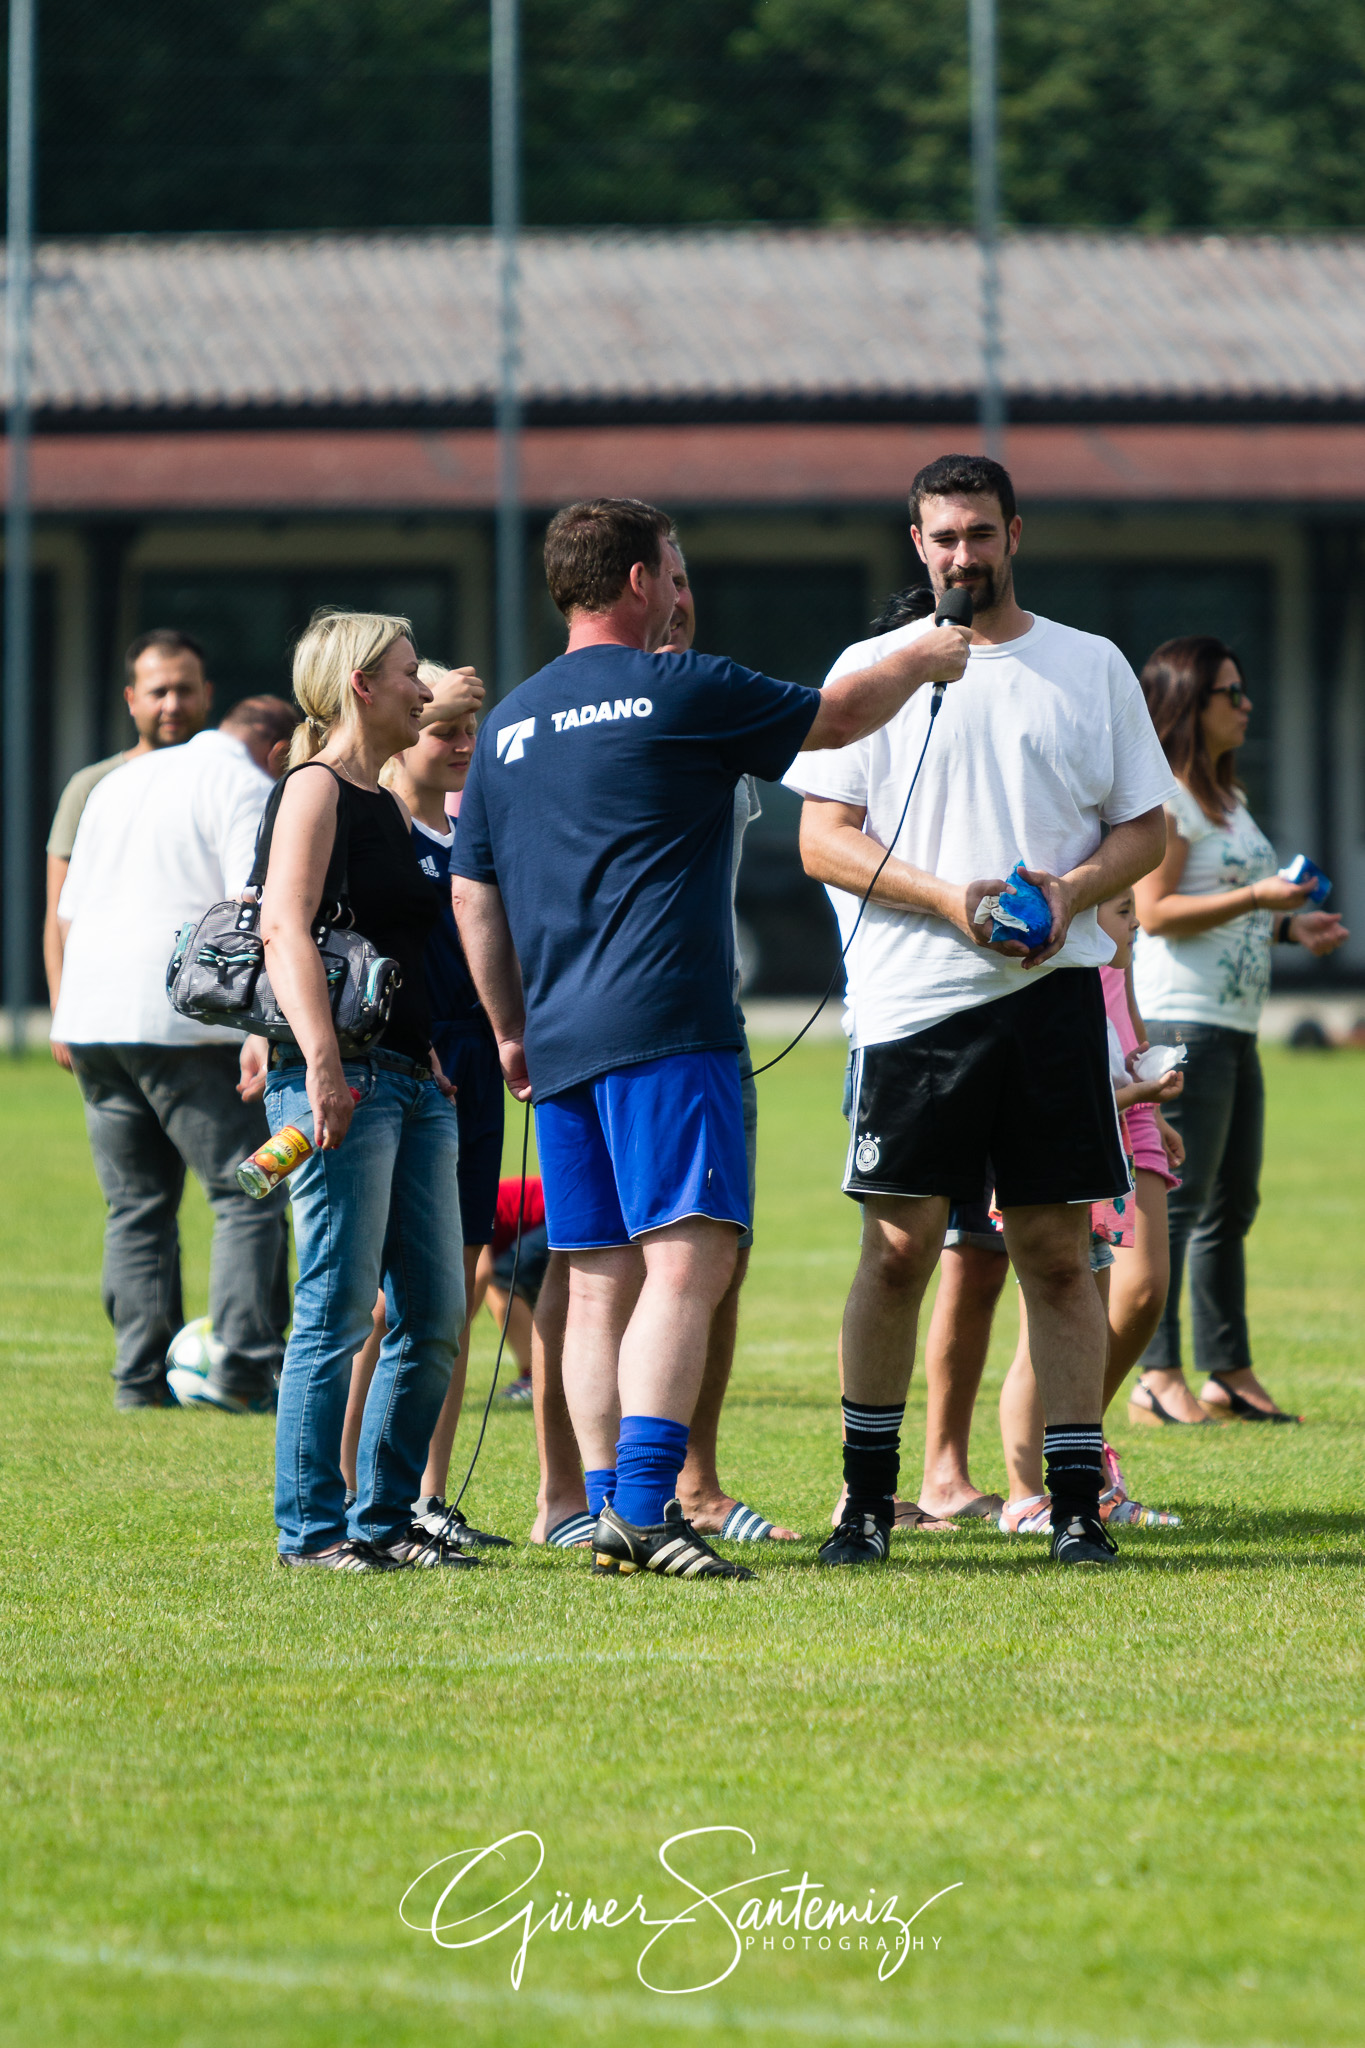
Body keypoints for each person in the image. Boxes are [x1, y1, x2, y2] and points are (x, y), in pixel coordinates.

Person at [450, 495, 971, 1583]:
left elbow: (474, 899)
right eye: (673, 570)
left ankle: (605, 1512)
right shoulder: (677, 687)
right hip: (669, 1027)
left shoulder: (507, 726)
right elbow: (832, 717)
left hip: (562, 1041)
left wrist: (510, 1027)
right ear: (639, 580)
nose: (681, 590)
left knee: (592, 1282)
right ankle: (648, 1506)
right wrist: (923, 655)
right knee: (689, 1265)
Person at [785, 452, 1175, 1570]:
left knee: (1058, 1255)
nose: (964, 555)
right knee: (900, 1249)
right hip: (912, 1005)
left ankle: (1072, 1505)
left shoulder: (1088, 665)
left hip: (1054, 998)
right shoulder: (872, 668)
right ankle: (867, 1501)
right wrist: (948, 898)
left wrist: (1067, 892)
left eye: (982, 534)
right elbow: (821, 838)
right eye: (943, 537)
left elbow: (1142, 831)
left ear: (1016, 534)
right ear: (917, 543)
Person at [242, 610, 485, 1572]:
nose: (424, 690)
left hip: (411, 1083)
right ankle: (311, 1533)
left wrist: (421, 1054)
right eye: (407, 673)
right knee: (335, 1312)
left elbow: (394, 949)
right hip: (339, 1083)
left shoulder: (382, 802)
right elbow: (286, 931)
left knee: (434, 1318)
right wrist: (324, 1066)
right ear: (360, 686)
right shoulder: (312, 789)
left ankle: (384, 1524)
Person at [51, 695, 300, 1411]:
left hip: (94, 1012)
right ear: (277, 751)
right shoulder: (245, 785)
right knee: (245, 1191)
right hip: (182, 1020)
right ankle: (246, 1369)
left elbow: (68, 907)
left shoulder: (121, 779)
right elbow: (249, 904)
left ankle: (137, 1378)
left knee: (135, 1206)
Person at [1132, 637, 1348, 1423]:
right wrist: (1261, 899)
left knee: (1233, 1203)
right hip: (1184, 1021)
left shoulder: (1228, 798)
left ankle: (1227, 1371)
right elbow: (1154, 914)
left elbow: (1227, 913)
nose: (1246, 703)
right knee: (1180, 1204)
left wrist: (1293, 931)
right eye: (1230, 692)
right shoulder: (1171, 803)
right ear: (1189, 704)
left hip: (1233, 1022)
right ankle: (1156, 1376)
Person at [338, 678, 509, 1549]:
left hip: (477, 1061)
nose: (461, 744)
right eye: (443, 727)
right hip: (407, 1059)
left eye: (471, 730)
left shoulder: (476, 833)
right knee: (378, 1302)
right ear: (402, 730)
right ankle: (352, 1489)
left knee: (461, 1284)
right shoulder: (376, 828)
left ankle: (427, 1496)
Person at [997, 886, 1187, 1531]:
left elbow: (1121, 1038)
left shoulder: (1110, 967)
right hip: (1072, 1148)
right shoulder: (1060, 978)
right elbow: (1078, 1090)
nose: (1136, 924)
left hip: (1111, 1138)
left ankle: (1081, 1464)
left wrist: (1149, 1107)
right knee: (1048, 1322)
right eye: (1124, 911)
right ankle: (1026, 1495)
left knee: (1083, 1314)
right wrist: (1141, 1093)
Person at [46, 629, 214, 1072]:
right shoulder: (91, 786)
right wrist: (64, 1008)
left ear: (207, 694)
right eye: (158, 691)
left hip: (206, 1019)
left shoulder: (228, 782)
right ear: (131, 698)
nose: (172, 704)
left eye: (185, 690)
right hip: (109, 1013)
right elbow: (59, 909)